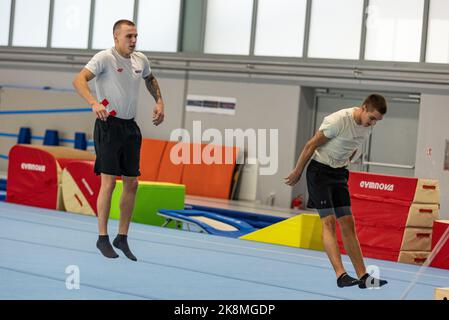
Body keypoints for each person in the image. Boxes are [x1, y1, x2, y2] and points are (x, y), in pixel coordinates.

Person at [72, 19, 165, 261]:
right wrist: (93, 102)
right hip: (108, 126)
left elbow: (150, 79)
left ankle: (121, 237)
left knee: (132, 183)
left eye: (136, 36)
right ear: (116, 37)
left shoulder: (140, 60)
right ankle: (102, 237)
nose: (133, 40)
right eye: (129, 36)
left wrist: (159, 101)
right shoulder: (105, 58)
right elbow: (78, 80)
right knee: (109, 183)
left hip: (130, 127)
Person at [284, 94, 388, 289]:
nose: (373, 123)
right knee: (329, 222)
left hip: (339, 173)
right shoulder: (338, 120)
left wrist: (348, 158)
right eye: (372, 118)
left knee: (348, 223)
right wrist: (297, 171)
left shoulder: (368, 128)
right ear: (363, 107)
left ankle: (363, 276)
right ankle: (341, 275)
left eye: (377, 121)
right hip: (319, 172)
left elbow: (354, 146)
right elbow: (311, 145)